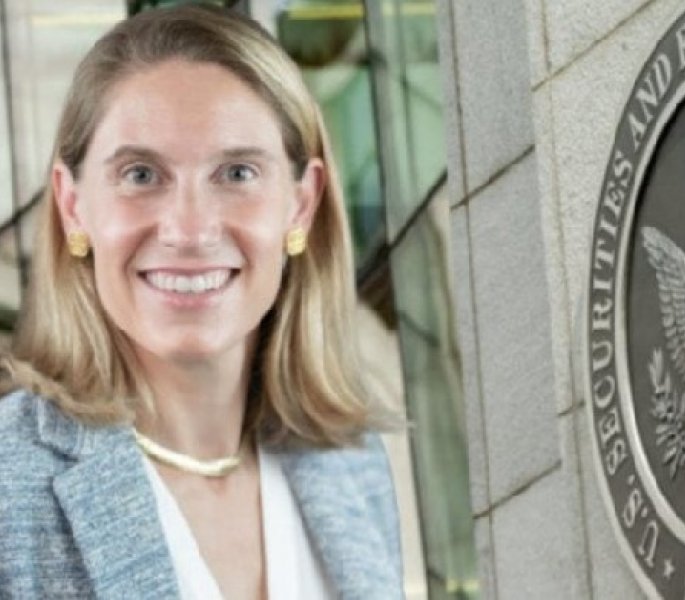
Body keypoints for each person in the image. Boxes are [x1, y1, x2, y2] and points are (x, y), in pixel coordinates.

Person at [0, 5, 402, 599]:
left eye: (236, 173)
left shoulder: (351, 464)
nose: (190, 231)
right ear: (72, 205)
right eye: (141, 175)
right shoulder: (11, 482)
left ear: (301, 205)